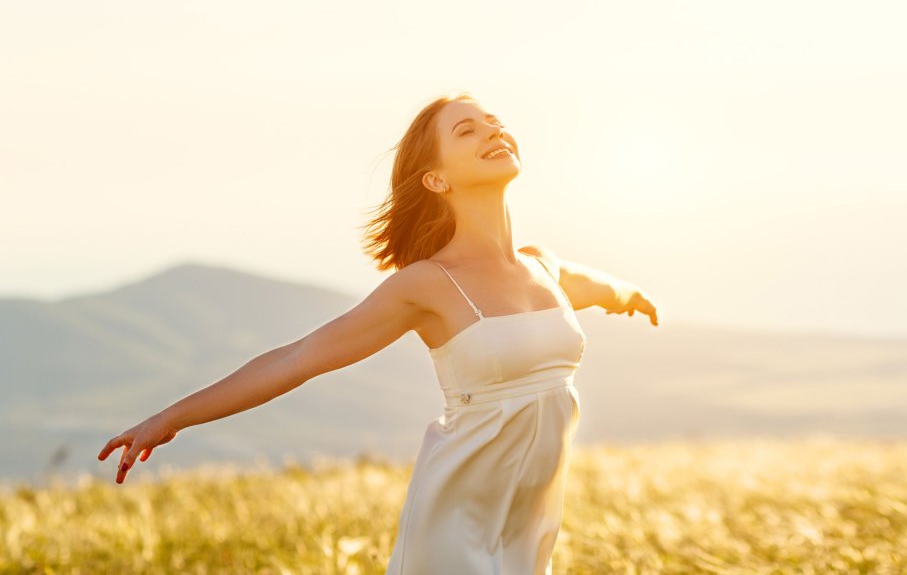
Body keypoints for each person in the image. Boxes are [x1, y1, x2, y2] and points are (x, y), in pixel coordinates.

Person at [97, 91, 660, 574]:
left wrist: (627, 295)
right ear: (436, 178)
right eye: (467, 130)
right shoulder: (426, 285)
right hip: (455, 519)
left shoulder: (544, 267)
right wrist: (169, 419)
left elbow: (594, 287)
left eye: (493, 121)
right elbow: (298, 358)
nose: (492, 129)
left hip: (531, 518)